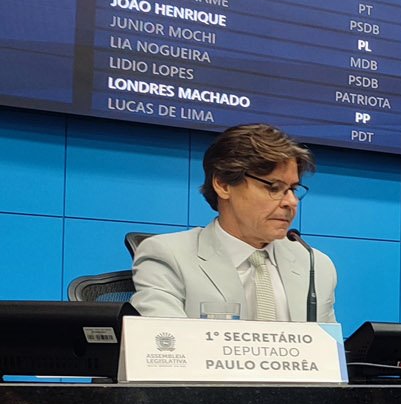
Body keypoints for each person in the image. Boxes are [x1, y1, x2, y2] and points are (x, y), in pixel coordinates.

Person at [131, 124, 337, 322]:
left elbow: (328, 346)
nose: (291, 202)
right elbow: (165, 343)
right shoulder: (168, 256)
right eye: (274, 187)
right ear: (223, 185)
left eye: (293, 189)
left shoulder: (315, 265)